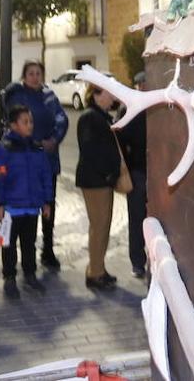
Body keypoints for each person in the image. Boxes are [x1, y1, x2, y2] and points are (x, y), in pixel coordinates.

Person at [2, 60, 68, 270]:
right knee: (23, 210)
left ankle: (47, 249)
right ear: (24, 76)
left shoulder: (49, 96)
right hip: (24, 159)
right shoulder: (17, 95)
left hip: (47, 159)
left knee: (48, 204)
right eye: (30, 73)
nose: (35, 77)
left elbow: (62, 119)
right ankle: (17, 260)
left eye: (38, 73)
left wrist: (54, 140)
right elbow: (14, 121)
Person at [0, 105, 54, 296]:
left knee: (29, 244)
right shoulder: (4, 148)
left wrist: (46, 201)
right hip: (9, 208)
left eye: (31, 121)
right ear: (13, 125)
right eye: (25, 121)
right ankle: (9, 277)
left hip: (31, 208)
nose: (30, 125)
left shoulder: (36, 148)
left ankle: (30, 273)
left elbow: (45, 175)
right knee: (7, 244)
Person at [75, 84, 122, 291]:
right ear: (96, 95)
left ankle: (97, 268)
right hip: (95, 181)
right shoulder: (90, 117)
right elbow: (91, 150)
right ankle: (95, 274)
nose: (112, 97)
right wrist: (107, 173)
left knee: (102, 227)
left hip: (101, 180)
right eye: (108, 93)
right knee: (99, 227)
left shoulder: (101, 115)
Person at [116, 84, 148, 278]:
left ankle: (142, 261)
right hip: (138, 172)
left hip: (148, 172)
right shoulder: (130, 110)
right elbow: (119, 139)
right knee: (137, 218)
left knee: (142, 218)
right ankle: (138, 261)